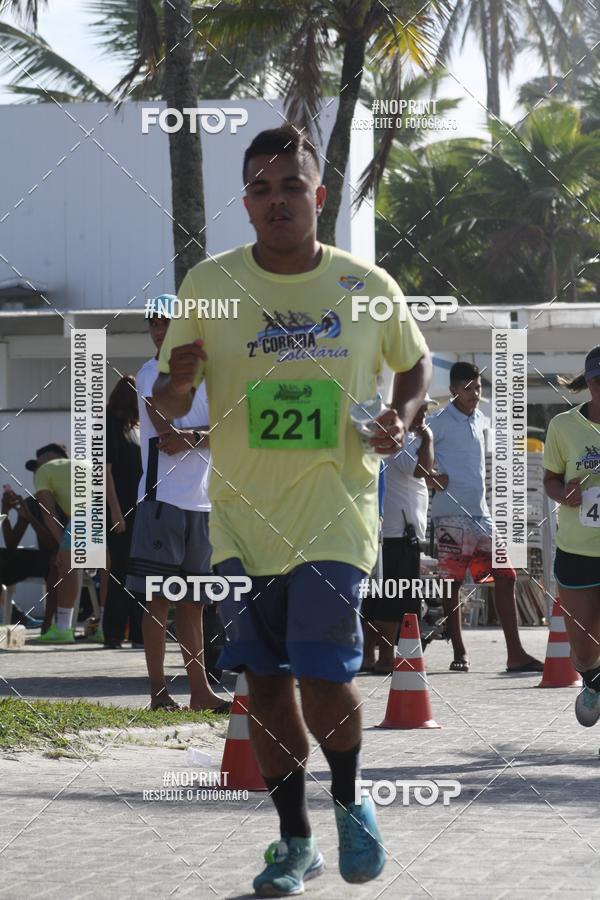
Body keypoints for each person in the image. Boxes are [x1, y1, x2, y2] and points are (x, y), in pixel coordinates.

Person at [153, 125, 431, 895]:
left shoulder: (365, 285)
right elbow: (165, 404)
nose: (277, 201)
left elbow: (415, 366)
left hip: (335, 510)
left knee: (321, 670)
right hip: (240, 519)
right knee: (267, 685)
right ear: (245, 203)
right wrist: (179, 385)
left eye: (291, 187)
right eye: (261, 189)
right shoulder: (209, 284)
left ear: (319, 195)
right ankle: (295, 841)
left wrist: (404, 417)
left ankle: (350, 801)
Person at [126, 297, 228, 712]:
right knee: (158, 601)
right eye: (153, 323)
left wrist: (195, 436)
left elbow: (230, 429)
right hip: (161, 499)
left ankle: (200, 693)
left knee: (194, 603)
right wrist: (202, 435)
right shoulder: (150, 374)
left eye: (165, 322)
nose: (158, 330)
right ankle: (158, 693)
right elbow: (167, 436)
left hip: (202, 502)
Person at [428, 361, 542, 673]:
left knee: (506, 576)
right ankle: (460, 651)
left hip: (481, 514)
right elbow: (410, 454)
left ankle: (515, 653)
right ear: (453, 389)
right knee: (451, 584)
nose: (474, 394)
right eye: (467, 388)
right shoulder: (437, 421)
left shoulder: (480, 419)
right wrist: (432, 477)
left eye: (478, 387)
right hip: (450, 515)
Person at [362, 396, 443, 672]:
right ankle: (385, 657)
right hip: (399, 532)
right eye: (421, 409)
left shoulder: (396, 435)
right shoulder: (404, 438)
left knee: (377, 596)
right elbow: (420, 470)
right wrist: (428, 439)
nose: (424, 416)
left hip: (392, 531)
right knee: (393, 598)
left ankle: (369, 655)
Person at [543, 346, 600, 726]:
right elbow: (550, 479)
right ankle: (592, 680)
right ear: (588, 382)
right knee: (583, 650)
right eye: (598, 381)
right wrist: (564, 493)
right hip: (577, 550)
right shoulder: (563, 426)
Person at [1, 446, 68, 630]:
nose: (39, 474)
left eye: (46, 468)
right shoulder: (32, 502)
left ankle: (51, 624)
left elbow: (57, 545)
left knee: (55, 559)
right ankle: (13, 613)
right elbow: (11, 544)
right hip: (43, 558)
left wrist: (30, 518)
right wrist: (5, 511)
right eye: (37, 469)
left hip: (65, 559)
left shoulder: (70, 500)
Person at [103, 374, 143, 648]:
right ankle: (114, 632)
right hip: (121, 509)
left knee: (140, 570)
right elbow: (105, 472)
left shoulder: (135, 428)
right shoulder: (110, 425)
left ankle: (139, 632)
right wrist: (116, 512)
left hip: (139, 508)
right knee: (120, 571)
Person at [32, 449, 82, 644]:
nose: (37, 468)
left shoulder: (43, 472)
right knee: (107, 570)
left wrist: (63, 546)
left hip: (83, 514)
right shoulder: (83, 465)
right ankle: (105, 628)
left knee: (66, 565)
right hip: (110, 508)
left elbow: (48, 512)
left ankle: (63, 629)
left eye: (39, 462)